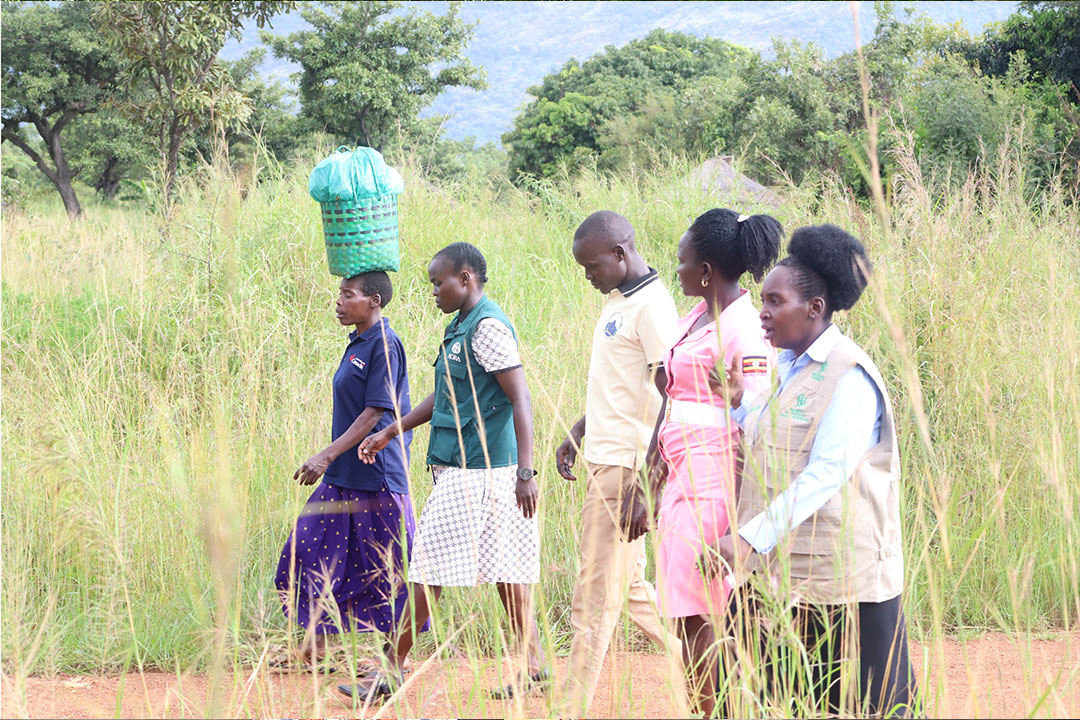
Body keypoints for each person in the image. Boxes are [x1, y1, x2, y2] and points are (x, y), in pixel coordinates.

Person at [704, 224, 920, 717]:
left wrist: (747, 538)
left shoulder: (851, 376)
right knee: (773, 695)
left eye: (775, 301)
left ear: (814, 308)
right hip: (782, 572)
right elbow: (771, 436)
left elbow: (826, 473)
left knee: (860, 702)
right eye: (763, 300)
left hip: (839, 578)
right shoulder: (790, 364)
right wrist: (738, 403)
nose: (762, 312)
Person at [339, 242, 547, 701]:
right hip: (468, 466)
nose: (434, 291)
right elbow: (445, 396)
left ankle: (391, 669)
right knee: (505, 569)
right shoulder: (460, 327)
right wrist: (392, 430)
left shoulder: (488, 327)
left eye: (440, 283)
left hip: (481, 470)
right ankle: (533, 664)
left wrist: (526, 472)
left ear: (466, 279)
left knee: (428, 565)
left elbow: (521, 397)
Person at [623, 208, 782, 715]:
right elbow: (671, 398)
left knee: (704, 616)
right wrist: (648, 480)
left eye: (684, 263)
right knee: (686, 613)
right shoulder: (694, 319)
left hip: (716, 486)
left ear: (708, 272)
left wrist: (744, 514)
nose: (679, 271)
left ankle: (713, 710)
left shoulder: (745, 333)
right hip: (681, 480)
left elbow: (758, 425)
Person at [555, 210, 682, 715]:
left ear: (619, 254)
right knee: (629, 588)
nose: (588, 276)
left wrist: (648, 480)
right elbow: (620, 386)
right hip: (603, 456)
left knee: (593, 597)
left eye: (591, 267)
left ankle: (569, 708)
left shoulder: (652, 308)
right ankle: (715, 662)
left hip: (625, 470)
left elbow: (671, 395)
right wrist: (579, 429)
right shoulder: (619, 300)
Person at [274, 270, 423, 670]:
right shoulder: (358, 342)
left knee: (391, 566)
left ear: (374, 300)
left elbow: (374, 412)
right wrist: (333, 461)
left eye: (348, 294)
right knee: (305, 551)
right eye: (339, 293)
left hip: (378, 475)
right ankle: (314, 649)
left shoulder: (386, 345)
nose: (339, 301)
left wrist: (324, 456)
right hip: (345, 474)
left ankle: (395, 658)